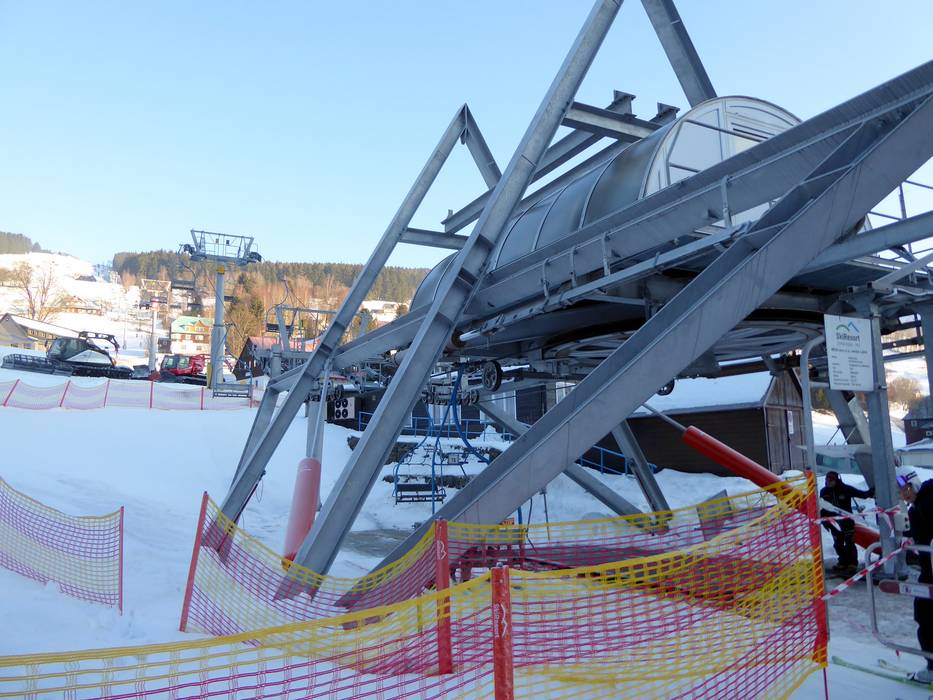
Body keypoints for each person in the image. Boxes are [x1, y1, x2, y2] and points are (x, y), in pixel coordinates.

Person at [897, 466, 933, 684]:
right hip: (928, 573)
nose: (904, 494)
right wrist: (910, 537)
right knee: (924, 616)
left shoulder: (929, 501)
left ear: (914, 484)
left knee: (926, 617)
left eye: (906, 488)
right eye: (901, 491)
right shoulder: (916, 508)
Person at [819, 470, 874, 576]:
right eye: (827, 479)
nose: (829, 482)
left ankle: (852, 564)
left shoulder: (845, 489)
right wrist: (825, 521)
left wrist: (871, 492)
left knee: (849, 543)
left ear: (836, 480)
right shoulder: (824, 491)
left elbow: (862, 494)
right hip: (833, 523)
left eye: (831, 480)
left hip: (846, 521)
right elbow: (823, 507)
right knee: (838, 544)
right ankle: (843, 562)